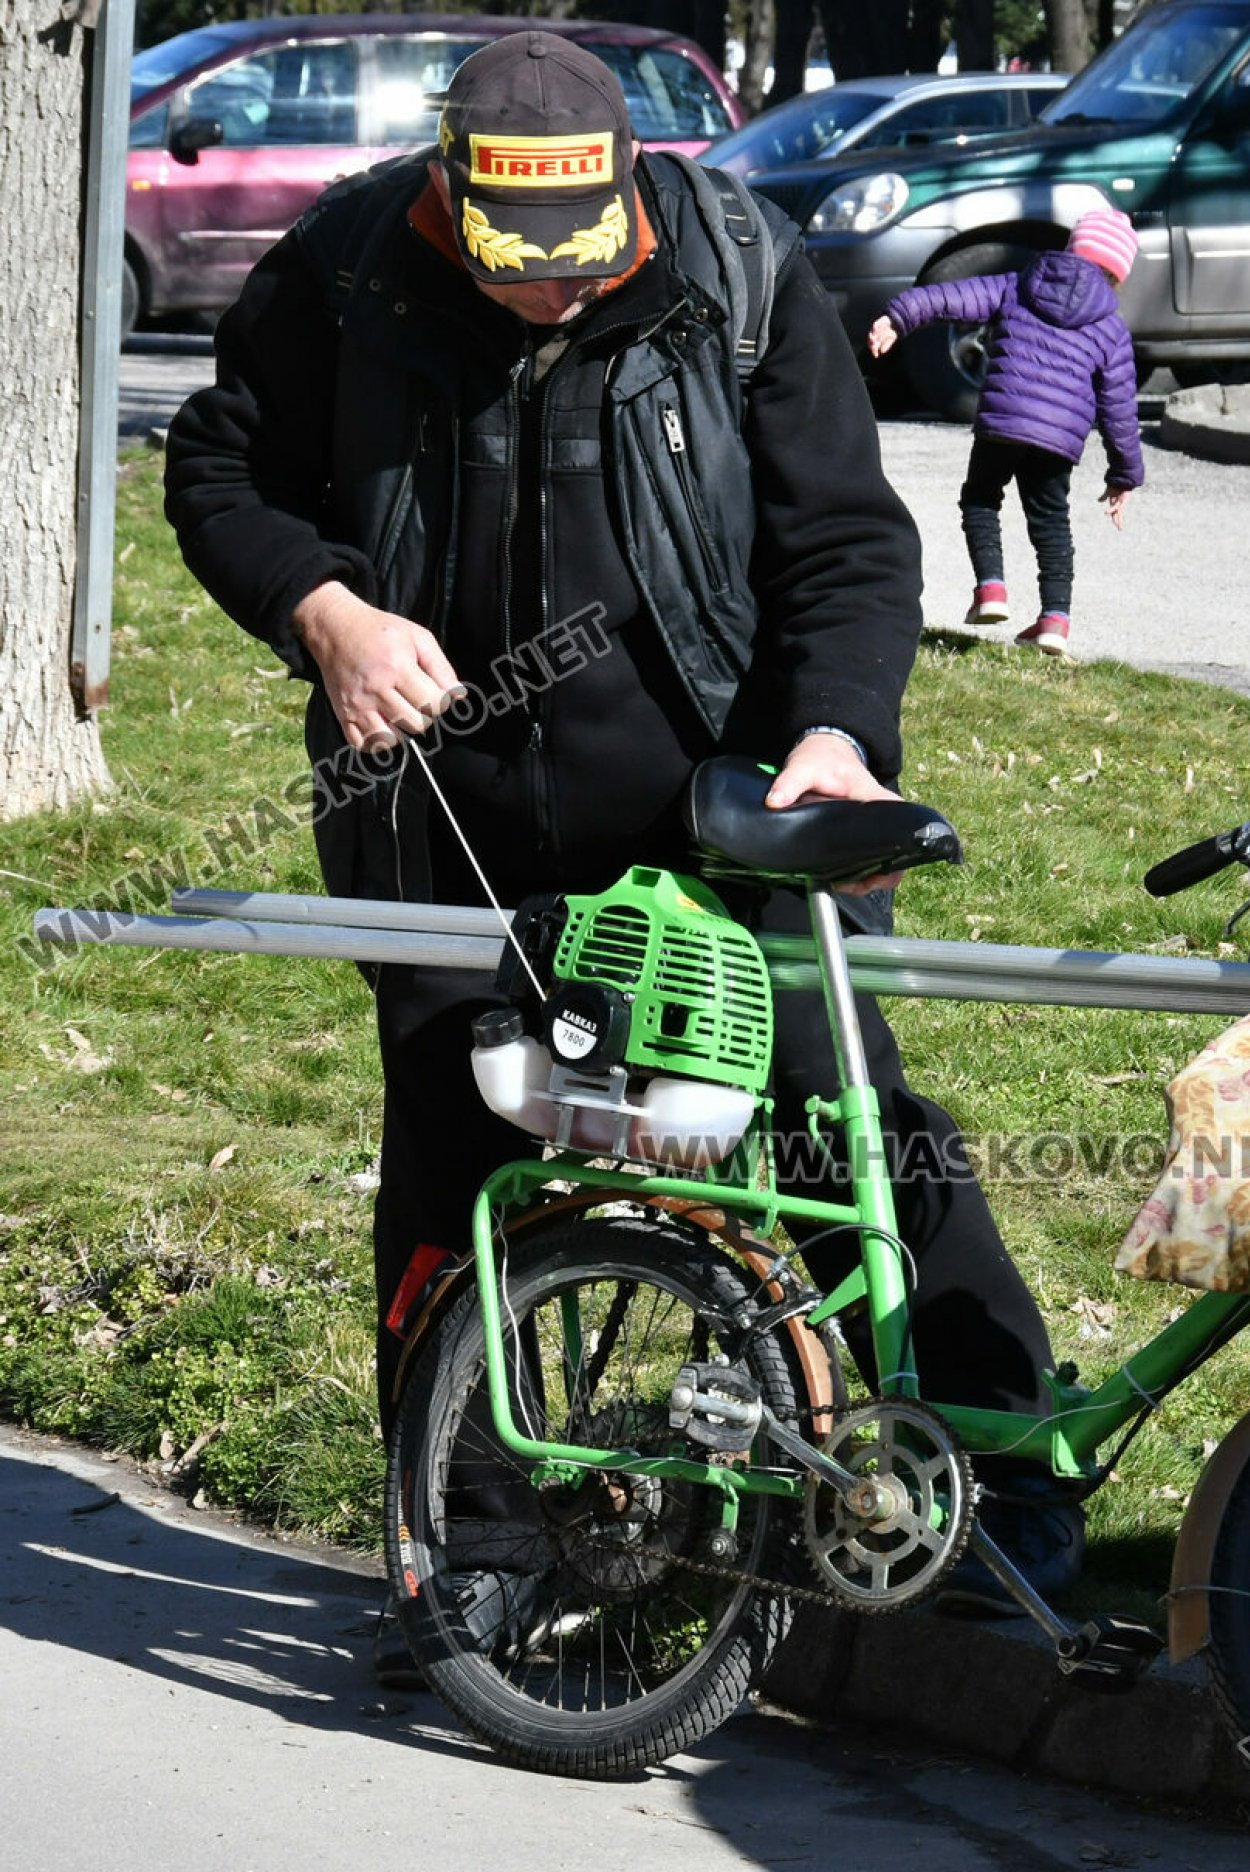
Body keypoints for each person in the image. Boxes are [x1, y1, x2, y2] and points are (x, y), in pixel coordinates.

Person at [162, 31, 1078, 1661]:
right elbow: (218, 467)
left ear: (626, 195)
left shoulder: (733, 267)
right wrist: (325, 613)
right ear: (450, 202)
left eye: (583, 268)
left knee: (835, 1104)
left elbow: (844, 541)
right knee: (460, 1157)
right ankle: (482, 1536)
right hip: (435, 816)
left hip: (713, 808)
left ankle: (1004, 1472)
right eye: (518, 274)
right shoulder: (349, 273)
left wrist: (838, 731)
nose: (554, 299)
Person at [867, 209, 1145, 658]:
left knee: (981, 499)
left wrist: (897, 318)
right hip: (1059, 440)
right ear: (1117, 274)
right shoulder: (1111, 329)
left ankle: (991, 591)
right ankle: (1055, 620)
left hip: (1003, 421)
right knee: (1051, 521)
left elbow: (949, 299)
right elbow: (1119, 409)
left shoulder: (1018, 284)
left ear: (1072, 251)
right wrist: (1124, 474)